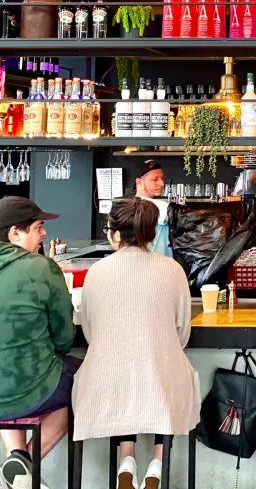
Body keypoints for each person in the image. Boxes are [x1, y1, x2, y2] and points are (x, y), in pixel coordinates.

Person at [72, 198, 200, 489]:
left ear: (115, 234)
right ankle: (157, 463)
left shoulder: (96, 272)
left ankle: (126, 459)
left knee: (125, 372)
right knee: (164, 371)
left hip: (107, 383)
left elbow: (91, 333)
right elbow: (182, 333)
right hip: (160, 379)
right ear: (151, 233)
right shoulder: (172, 270)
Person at [0, 197, 76, 489]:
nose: (44, 234)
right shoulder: (41, 268)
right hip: (27, 387)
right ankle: (26, 466)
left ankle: (17, 460)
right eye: (38, 227)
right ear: (14, 233)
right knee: (85, 380)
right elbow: (64, 336)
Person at [133, 160, 171, 257]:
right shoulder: (162, 207)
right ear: (139, 182)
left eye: (162, 178)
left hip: (134, 264)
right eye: (155, 179)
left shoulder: (125, 207)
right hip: (161, 266)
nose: (162, 184)